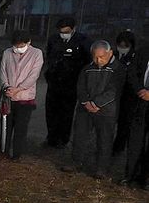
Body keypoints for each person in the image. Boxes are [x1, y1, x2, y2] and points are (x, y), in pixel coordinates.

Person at [62, 41, 125, 179]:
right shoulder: (87, 68)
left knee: (104, 139)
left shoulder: (118, 69)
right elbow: (81, 87)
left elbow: (114, 91)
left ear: (110, 53)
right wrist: (86, 102)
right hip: (85, 109)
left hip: (107, 111)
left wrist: (97, 103)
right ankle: (76, 161)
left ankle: (101, 168)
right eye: (95, 57)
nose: (98, 60)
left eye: (102, 57)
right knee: (80, 136)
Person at [44, 17, 91, 148]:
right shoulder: (54, 39)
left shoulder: (82, 41)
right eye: (61, 31)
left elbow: (87, 62)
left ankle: (63, 139)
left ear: (73, 29)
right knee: (51, 111)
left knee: (66, 112)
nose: (63, 33)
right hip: (54, 82)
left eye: (66, 31)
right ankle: (51, 137)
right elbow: (49, 56)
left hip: (71, 83)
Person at [0, 30, 44, 161]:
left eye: (21, 46)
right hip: (8, 96)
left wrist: (18, 89)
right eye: (16, 46)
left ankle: (16, 154)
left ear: (28, 42)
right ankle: (3, 151)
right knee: (6, 126)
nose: (18, 49)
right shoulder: (7, 53)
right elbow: (2, 71)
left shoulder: (37, 54)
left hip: (25, 98)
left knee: (20, 128)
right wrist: (7, 87)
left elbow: (33, 76)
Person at [121, 45, 149, 188]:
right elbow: (131, 72)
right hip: (140, 103)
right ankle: (130, 175)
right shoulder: (143, 51)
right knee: (135, 141)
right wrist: (139, 90)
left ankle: (145, 179)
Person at [112, 30, 138, 154]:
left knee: (124, 122)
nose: (122, 48)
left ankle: (118, 147)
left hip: (128, 96)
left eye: (125, 46)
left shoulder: (136, 58)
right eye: (120, 46)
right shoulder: (113, 55)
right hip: (112, 93)